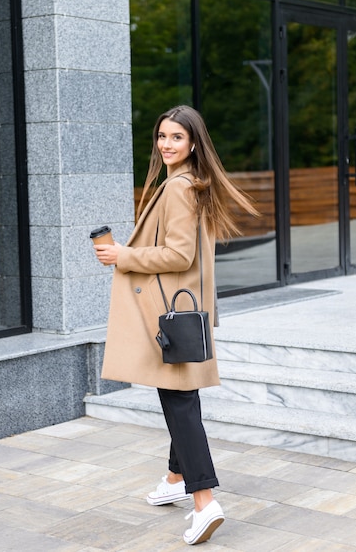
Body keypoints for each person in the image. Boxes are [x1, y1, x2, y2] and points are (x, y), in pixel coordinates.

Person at [94, 105, 259, 545]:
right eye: (162, 136)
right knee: (181, 396)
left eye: (176, 138)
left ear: (193, 144)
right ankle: (174, 479)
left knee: (179, 403)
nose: (166, 145)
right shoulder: (189, 184)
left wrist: (122, 256)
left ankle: (204, 501)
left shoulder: (180, 189)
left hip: (168, 318)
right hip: (185, 315)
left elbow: (178, 255)